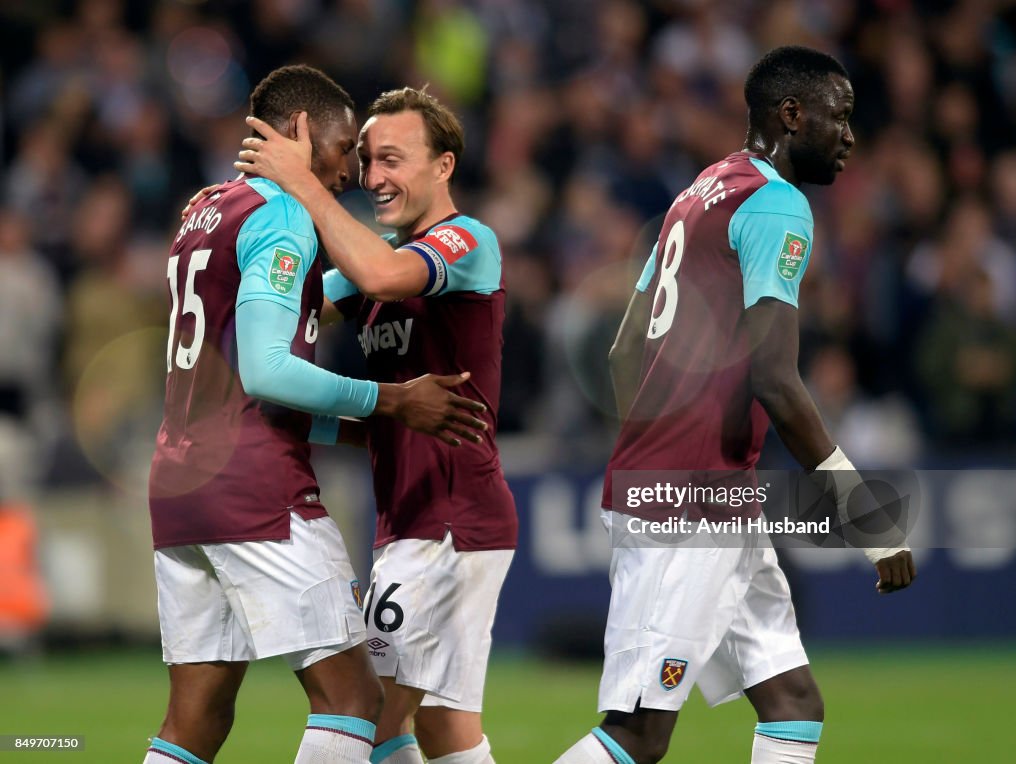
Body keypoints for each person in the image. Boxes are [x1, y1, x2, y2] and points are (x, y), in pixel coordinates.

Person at [555, 46, 916, 764]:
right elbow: (775, 379)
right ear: (791, 114)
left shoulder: (698, 192)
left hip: (708, 493)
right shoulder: (778, 204)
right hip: (690, 503)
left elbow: (624, 353)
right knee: (636, 735)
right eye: (838, 117)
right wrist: (870, 521)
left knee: (792, 702)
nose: (849, 134)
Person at [146, 66, 487, 764]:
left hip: (180, 488)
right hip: (256, 493)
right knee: (355, 701)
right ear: (299, 133)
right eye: (342, 151)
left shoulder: (207, 209)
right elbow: (267, 371)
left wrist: (359, 425)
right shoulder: (281, 214)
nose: (349, 175)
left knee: (196, 721)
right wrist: (389, 398)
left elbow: (235, 382)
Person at [233, 87, 516, 764]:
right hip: (419, 518)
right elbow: (293, 310)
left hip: (448, 524)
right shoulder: (369, 258)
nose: (372, 177)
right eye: (364, 160)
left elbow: (386, 275)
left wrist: (302, 183)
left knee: (369, 714)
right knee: (442, 731)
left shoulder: (465, 240)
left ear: (444, 166)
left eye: (391, 158)